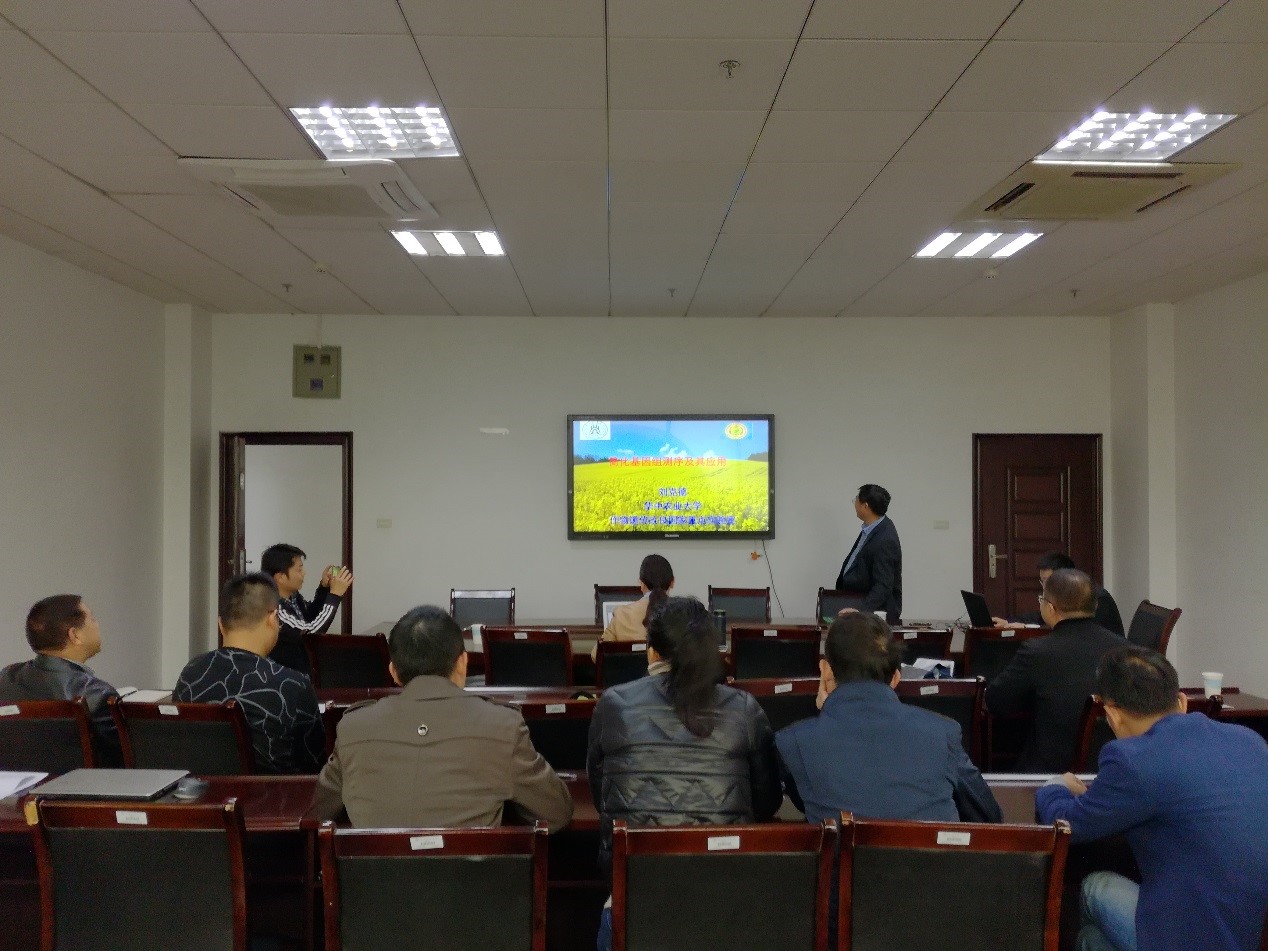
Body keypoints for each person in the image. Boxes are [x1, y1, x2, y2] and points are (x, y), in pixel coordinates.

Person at [1037, 646, 1268, 951]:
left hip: (1194, 939)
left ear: (1112, 714)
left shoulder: (1133, 760)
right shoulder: (1250, 741)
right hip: (1249, 932)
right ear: (1182, 701)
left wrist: (1056, 786)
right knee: (1092, 940)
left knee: (1095, 886)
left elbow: (1067, 824)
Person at [588, 596, 782, 951]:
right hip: (726, 903)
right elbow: (767, 802)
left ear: (651, 652)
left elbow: (603, 797)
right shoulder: (745, 710)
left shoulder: (614, 705)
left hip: (635, 900)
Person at [311, 604, 573, 829]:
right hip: (474, 874)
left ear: (393, 671)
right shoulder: (503, 725)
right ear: (462, 663)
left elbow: (320, 811)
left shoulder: (354, 727)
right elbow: (556, 813)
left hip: (372, 875)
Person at [777, 612, 1001, 824]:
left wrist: (828, 710)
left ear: (826, 671)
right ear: (895, 678)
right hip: (931, 854)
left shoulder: (793, 742)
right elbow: (989, 816)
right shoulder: (943, 733)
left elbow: (810, 798)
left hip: (845, 853)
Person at [175, 572, 325, 774]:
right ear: (272, 618)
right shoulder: (293, 685)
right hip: (275, 793)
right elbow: (316, 766)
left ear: (220, 624)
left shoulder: (191, 673)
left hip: (199, 792)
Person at [984, 568, 1123, 773]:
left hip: (1050, 772)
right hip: (1112, 766)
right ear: (1094, 606)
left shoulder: (1036, 652)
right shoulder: (1125, 650)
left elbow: (996, 702)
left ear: (1050, 608)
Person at [0, 595, 122, 766]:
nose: (97, 624)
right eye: (92, 619)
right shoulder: (96, 694)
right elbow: (124, 757)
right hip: (80, 782)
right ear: (75, 635)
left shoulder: (6, 677)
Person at [261, 543, 353, 677]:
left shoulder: (293, 597)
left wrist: (324, 588)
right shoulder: (274, 608)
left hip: (302, 672)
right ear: (280, 577)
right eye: (299, 570)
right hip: (284, 678)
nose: (304, 573)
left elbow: (310, 616)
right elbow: (310, 634)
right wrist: (334, 596)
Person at [992, 551, 1124, 636]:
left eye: (1047, 580)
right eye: (1042, 581)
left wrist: (1026, 627)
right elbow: (1040, 617)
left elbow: (1073, 630)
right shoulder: (1065, 594)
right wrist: (1009, 622)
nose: (1044, 586)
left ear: (1064, 576)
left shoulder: (1094, 596)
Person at [834, 484, 902, 623]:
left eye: (856, 500)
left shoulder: (885, 538)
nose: (854, 503)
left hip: (872, 616)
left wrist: (860, 611)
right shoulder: (872, 528)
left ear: (865, 506)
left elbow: (883, 585)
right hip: (857, 605)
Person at [590, 553, 673, 661]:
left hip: (629, 672)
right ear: (672, 582)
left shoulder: (622, 614)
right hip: (671, 673)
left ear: (641, 583)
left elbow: (596, 655)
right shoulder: (684, 614)